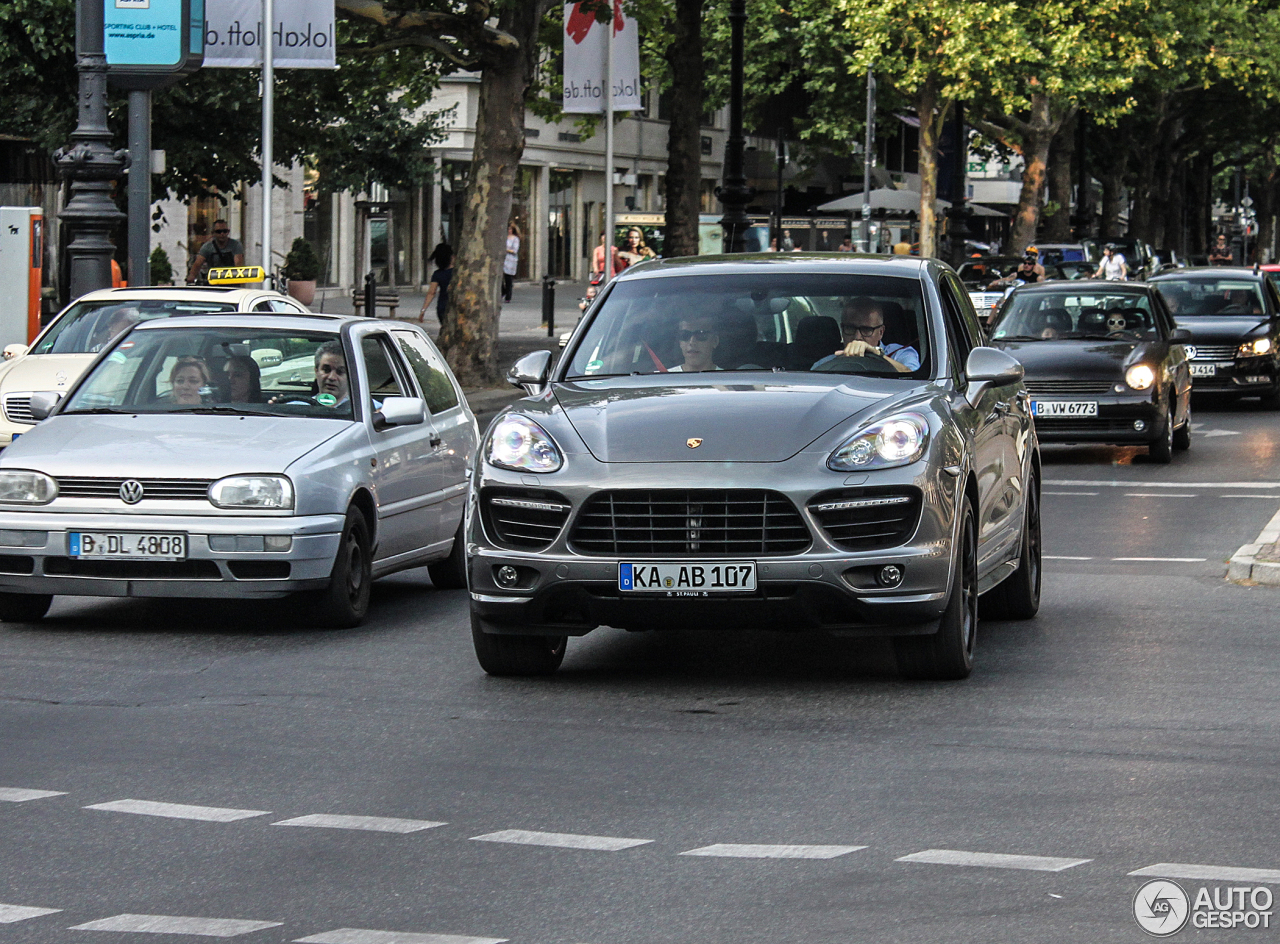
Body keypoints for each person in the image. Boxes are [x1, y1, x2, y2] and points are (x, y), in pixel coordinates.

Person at [815, 299, 920, 373]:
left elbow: (916, 381)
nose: (857, 337)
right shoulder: (825, 364)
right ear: (842, 329)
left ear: (881, 332)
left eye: (866, 329)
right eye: (850, 328)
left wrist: (876, 355)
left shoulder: (900, 354)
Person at [420, 243, 453, 323]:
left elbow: (431, 293)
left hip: (442, 307)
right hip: (455, 307)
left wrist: (423, 310)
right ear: (451, 257)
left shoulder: (437, 274)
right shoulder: (458, 272)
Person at [313, 340, 349, 405]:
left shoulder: (367, 408)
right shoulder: (299, 407)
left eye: (340, 371)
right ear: (316, 372)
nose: (332, 377)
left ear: (350, 376)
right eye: (326, 370)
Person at [502, 223, 520, 302]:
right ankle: (503, 291)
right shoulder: (504, 237)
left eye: (510, 229)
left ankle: (508, 296)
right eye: (508, 229)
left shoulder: (515, 239)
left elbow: (515, 250)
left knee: (508, 279)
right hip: (503, 259)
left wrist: (506, 250)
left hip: (510, 260)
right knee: (501, 278)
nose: (509, 231)